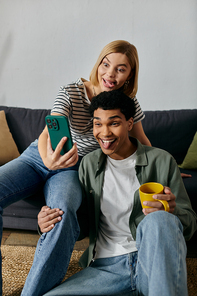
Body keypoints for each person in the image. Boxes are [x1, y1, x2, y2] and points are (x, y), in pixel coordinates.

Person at [0, 40, 150, 296]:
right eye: (106, 64)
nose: (110, 74)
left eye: (121, 69)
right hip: (37, 157)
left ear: (130, 75)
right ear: (98, 63)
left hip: (72, 169)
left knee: (62, 212)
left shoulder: (129, 103)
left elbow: (142, 141)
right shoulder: (72, 90)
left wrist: (163, 165)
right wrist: (48, 161)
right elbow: (51, 128)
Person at [41, 90, 197, 296]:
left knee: (159, 220)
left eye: (114, 123)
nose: (104, 133)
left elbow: (190, 225)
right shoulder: (88, 164)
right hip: (107, 269)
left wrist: (170, 211)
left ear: (130, 124)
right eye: (98, 123)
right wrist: (48, 221)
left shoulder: (162, 161)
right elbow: (83, 224)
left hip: (152, 262)